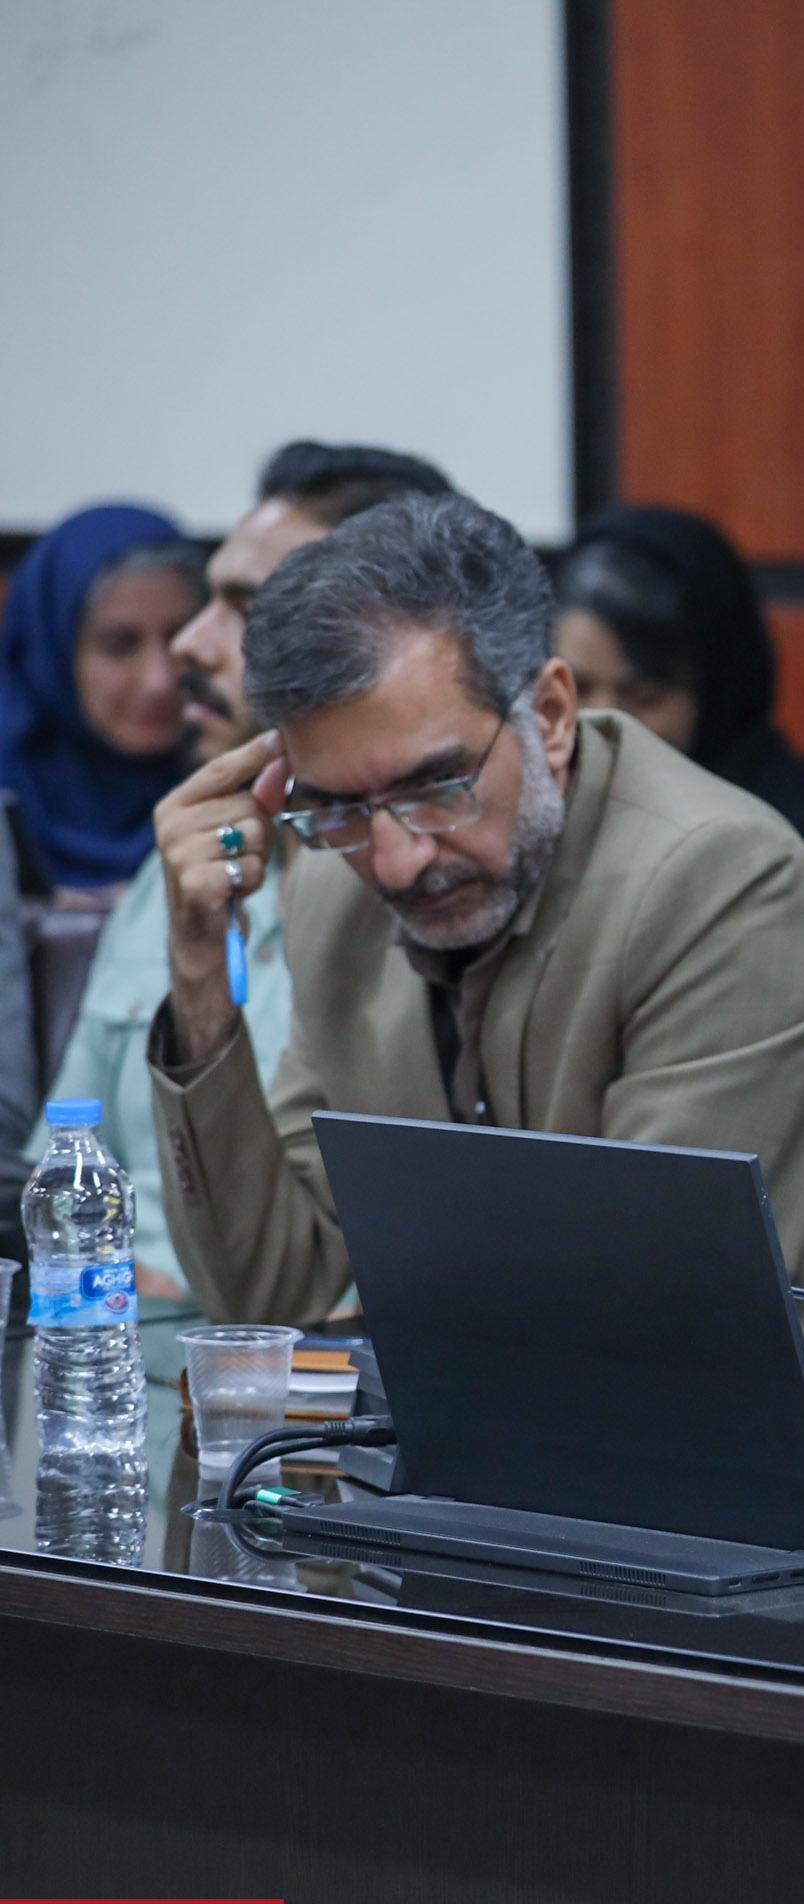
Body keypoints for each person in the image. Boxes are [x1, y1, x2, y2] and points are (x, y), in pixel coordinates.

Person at [143, 493, 804, 1399]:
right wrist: (200, 976)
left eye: (436, 786)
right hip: (491, 1436)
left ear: (551, 714)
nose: (396, 862)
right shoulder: (332, 887)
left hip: (791, 1457)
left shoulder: (722, 880)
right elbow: (274, 1300)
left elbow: (648, 1310)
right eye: (340, 807)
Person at [31, 443, 449, 1307]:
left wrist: (182, 1296)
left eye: (249, 610)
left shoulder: (430, 887)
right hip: (110, 1339)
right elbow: (60, 1158)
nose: (190, 646)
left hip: (288, 1350)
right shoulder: (179, 862)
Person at [554, 505, 804, 983]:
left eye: (644, 696)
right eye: (578, 688)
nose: (601, 723)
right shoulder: (531, 811)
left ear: (715, 692)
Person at [0, 504, 208, 891]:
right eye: (119, 645)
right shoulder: (8, 781)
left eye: (180, 638)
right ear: (52, 653)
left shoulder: (246, 778)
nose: (159, 682)